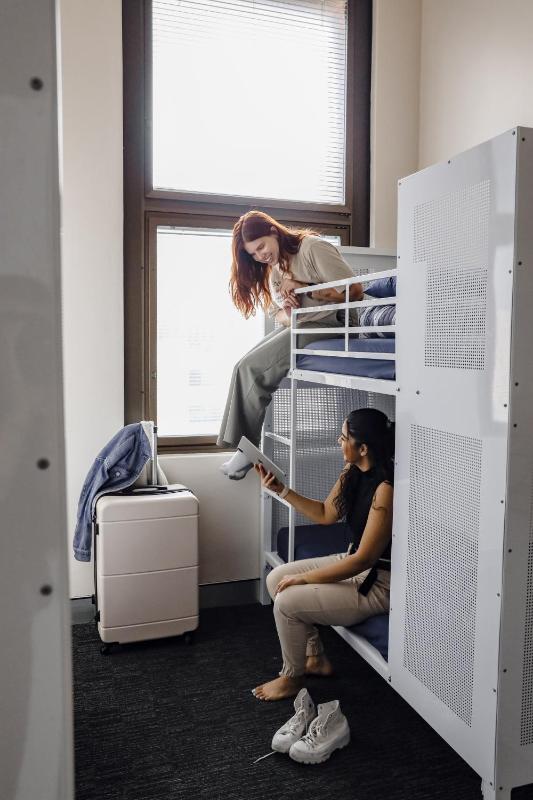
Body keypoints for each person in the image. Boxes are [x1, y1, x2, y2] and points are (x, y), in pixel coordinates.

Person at [252, 408, 394, 701]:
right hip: (354, 562)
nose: (338, 443)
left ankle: (291, 677)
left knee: (287, 599)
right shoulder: (353, 469)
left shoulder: (386, 489)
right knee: (276, 577)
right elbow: (327, 514)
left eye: (343, 438)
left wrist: (303, 580)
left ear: (363, 448)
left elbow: (364, 560)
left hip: (379, 582)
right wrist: (281, 490)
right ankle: (315, 658)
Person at [218, 210, 363, 479]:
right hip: (306, 324)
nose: (260, 255)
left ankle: (246, 453)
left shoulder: (312, 248)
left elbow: (355, 292)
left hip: (336, 325)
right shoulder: (274, 272)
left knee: (253, 367)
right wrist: (287, 308)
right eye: (253, 254)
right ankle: (244, 450)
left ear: (273, 232)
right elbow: (280, 317)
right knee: (241, 365)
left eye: (261, 246)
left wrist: (303, 287)